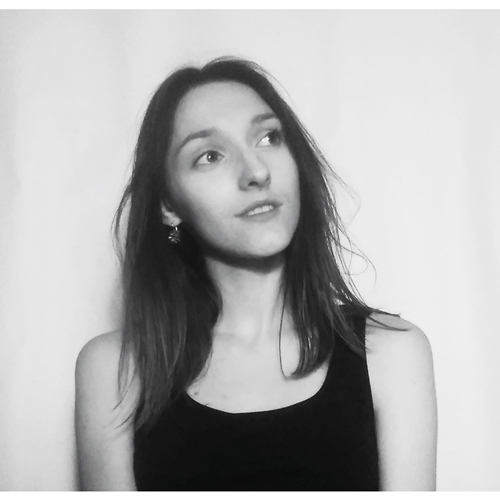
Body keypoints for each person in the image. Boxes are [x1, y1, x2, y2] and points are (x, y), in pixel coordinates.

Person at [74, 57, 437, 491]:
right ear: (168, 205)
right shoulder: (114, 370)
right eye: (209, 156)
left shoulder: (391, 353)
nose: (257, 171)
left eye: (269, 137)